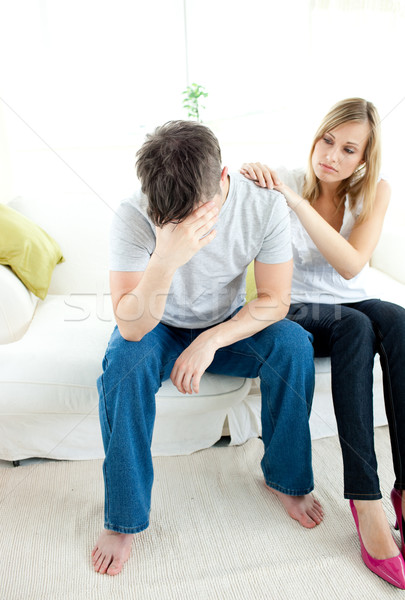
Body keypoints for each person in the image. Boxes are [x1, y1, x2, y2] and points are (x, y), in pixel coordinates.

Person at [92, 120, 323, 576]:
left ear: (223, 179)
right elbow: (133, 325)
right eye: (171, 218)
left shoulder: (263, 204)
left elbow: (274, 300)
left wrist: (210, 341)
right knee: (123, 365)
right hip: (155, 325)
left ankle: (286, 479)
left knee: (294, 345)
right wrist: (167, 256)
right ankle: (124, 518)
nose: (185, 225)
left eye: (196, 213)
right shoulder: (132, 213)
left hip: (225, 326)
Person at [240, 97, 405, 589]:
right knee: (355, 328)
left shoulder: (374, 191)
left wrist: (299, 204)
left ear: (364, 159)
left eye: (348, 149)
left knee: (397, 320)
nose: (330, 155)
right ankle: (366, 501)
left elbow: (353, 266)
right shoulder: (284, 179)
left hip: (349, 299)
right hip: (295, 306)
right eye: (327, 140)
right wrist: (278, 191)